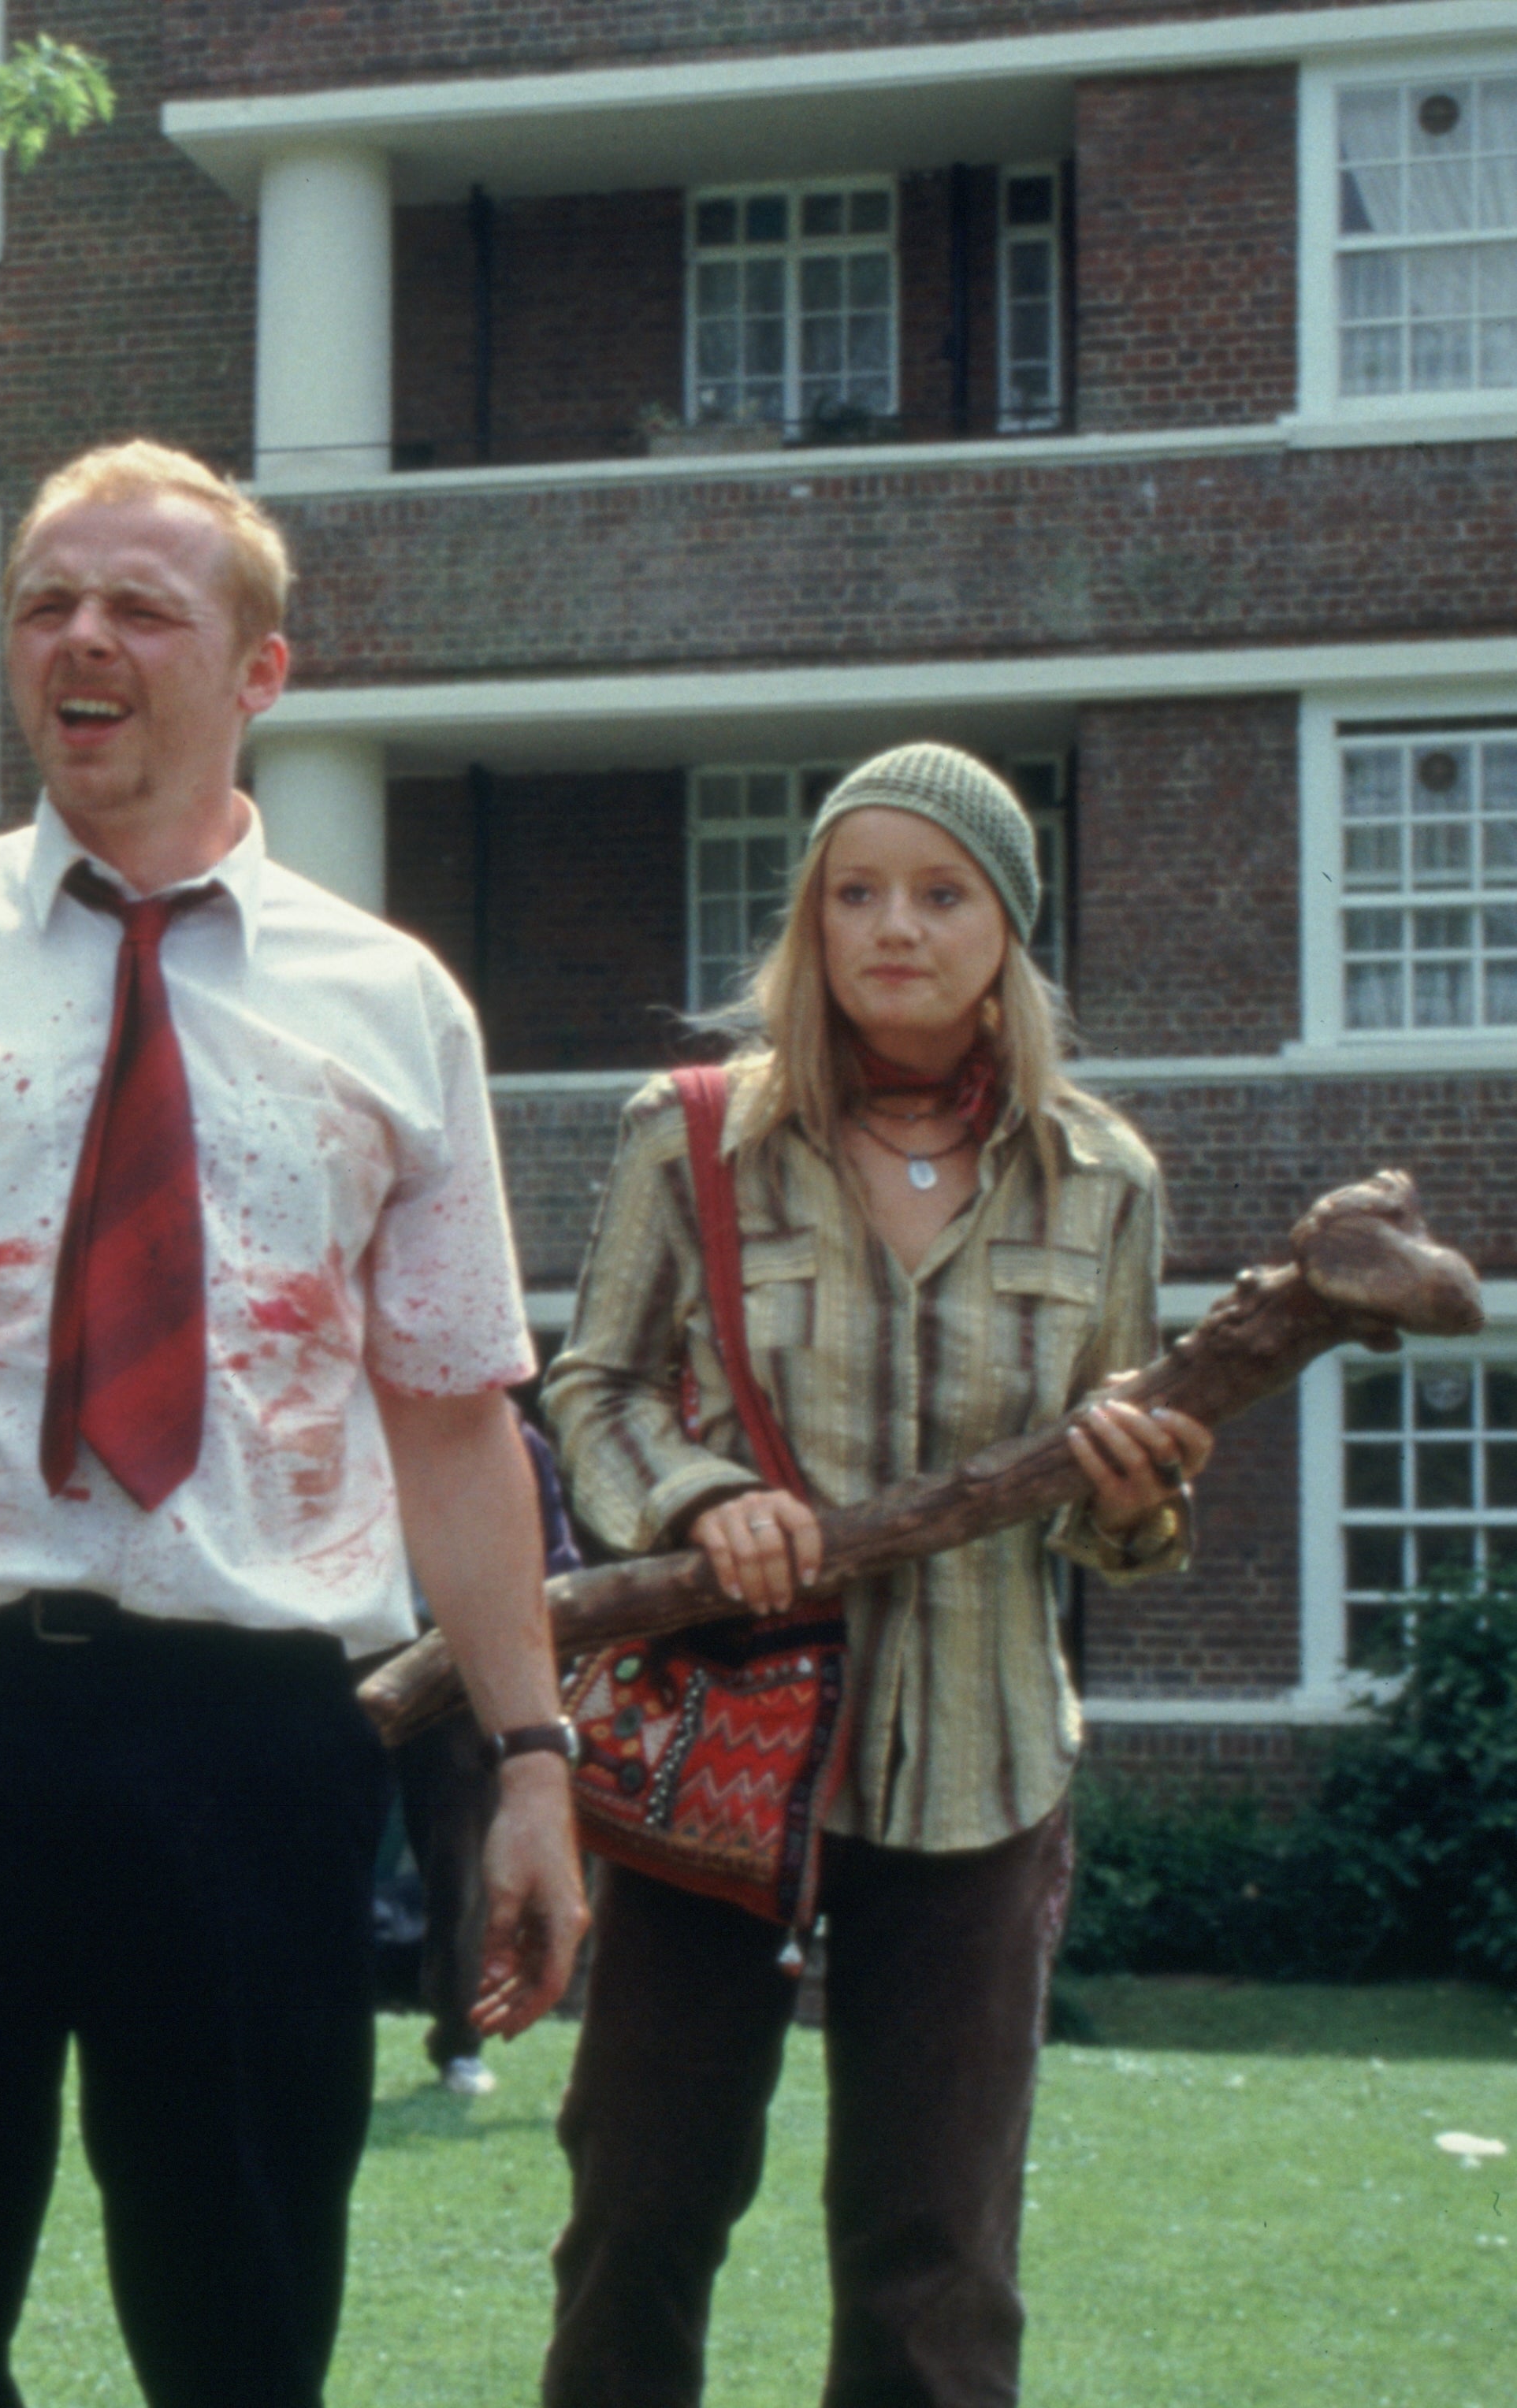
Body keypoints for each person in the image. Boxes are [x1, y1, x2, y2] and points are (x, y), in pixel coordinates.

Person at [0, 439, 588, 2408]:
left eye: (143, 607)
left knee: (241, 2339)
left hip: (245, 1740)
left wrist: (536, 1759)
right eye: (49, 601)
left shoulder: (393, 1003)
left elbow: (456, 1411)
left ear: (259, 669)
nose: (83, 639)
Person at [535, 742, 1210, 2408]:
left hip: (983, 1769)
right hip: (721, 1761)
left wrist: (1133, 1497)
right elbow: (589, 1390)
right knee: (641, 2208)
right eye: (854, 891)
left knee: (935, 2260)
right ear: (807, 921)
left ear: (1006, 928)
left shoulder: (1103, 1174)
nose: (891, 926)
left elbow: (1105, 1503)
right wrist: (697, 1500)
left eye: (938, 892)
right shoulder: (690, 1135)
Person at [395, 1421, 581, 2101]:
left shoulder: (513, 1443)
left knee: (464, 1864)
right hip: (349, 1654)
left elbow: (556, 1564)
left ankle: (458, 2044)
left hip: (457, 1667)